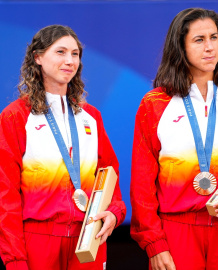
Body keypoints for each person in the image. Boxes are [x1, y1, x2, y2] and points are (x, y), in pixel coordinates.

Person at [130, 8, 218, 270]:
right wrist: (154, 244)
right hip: (177, 232)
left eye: (214, 38)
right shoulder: (155, 105)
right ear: (180, 46)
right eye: (199, 40)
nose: (209, 47)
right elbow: (142, 186)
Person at [0, 25, 126, 270]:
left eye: (75, 54)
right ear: (38, 57)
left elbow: (109, 173)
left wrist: (114, 211)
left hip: (88, 239)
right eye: (60, 52)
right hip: (37, 241)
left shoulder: (91, 116)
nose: (70, 61)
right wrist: (15, 259)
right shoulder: (16, 117)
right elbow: (6, 195)